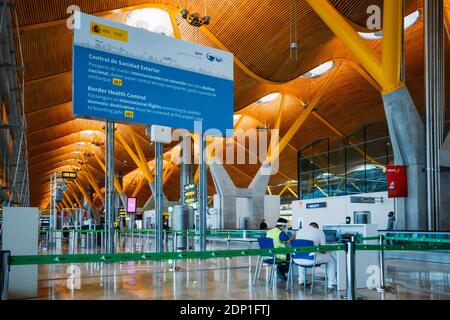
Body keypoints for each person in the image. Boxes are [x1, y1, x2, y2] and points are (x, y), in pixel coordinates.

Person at [294, 222, 337, 289]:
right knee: (331, 259)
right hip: (311, 260)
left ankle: (301, 280)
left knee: (302, 254)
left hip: (297, 260)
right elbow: (323, 250)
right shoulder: (319, 231)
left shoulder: (299, 231)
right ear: (317, 227)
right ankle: (332, 283)